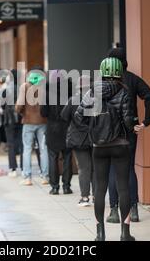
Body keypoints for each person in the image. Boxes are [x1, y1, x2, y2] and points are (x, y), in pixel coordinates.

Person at [75, 58, 136, 241]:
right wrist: (134, 126)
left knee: (100, 189)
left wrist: (93, 129)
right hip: (121, 146)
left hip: (99, 147)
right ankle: (125, 234)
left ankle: (100, 234)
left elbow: (79, 118)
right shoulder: (124, 93)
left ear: (102, 71)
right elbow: (127, 121)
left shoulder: (92, 93)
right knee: (123, 187)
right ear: (119, 73)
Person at [105, 46, 150, 223]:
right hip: (129, 131)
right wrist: (145, 122)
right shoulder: (132, 79)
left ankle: (113, 210)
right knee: (128, 169)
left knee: (112, 168)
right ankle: (133, 209)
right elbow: (149, 96)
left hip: (108, 133)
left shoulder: (103, 81)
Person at [61, 75, 95, 206]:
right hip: (94, 138)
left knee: (83, 168)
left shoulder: (73, 100)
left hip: (77, 139)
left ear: (79, 87)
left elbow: (64, 116)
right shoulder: (96, 100)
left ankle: (85, 197)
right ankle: (96, 197)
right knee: (95, 169)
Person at [15, 67, 49, 186]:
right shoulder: (44, 86)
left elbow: (19, 105)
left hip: (28, 122)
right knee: (43, 149)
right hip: (43, 122)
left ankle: (27, 177)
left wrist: (20, 112)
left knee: (27, 149)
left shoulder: (25, 86)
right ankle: (45, 176)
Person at [41, 70, 73, 195]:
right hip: (67, 128)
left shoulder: (47, 93)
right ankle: (66, 186)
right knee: (67, 157)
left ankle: (54, 187)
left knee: (52, 158)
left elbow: (43, 113)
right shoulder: (69, 94)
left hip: (52, 129)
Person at [2, 69, 23, 177]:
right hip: (20, 118)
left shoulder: (6, 90)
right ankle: (24, 168)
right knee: (22, 143)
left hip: (9, 119)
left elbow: (2, 103)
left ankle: (13, 168)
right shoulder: (22, 88)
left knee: (11, 144)